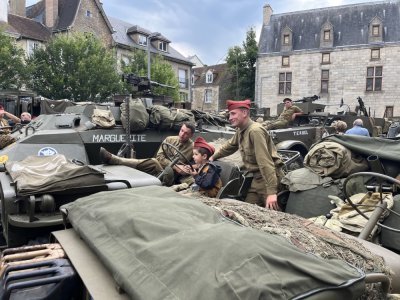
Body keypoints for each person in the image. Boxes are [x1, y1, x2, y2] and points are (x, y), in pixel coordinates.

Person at [210, 99, 285, 210]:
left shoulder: (255, 131)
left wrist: (272, 192)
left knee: (274, 216)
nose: (230, 118)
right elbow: (230, 146)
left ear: (244, 113)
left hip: (268, 180)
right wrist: (213, 157)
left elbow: (265, 162)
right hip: (256, 180)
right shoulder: (241, 130)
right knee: (247, 212)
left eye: (233, 113)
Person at [99, 122, 196, 185]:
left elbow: (201, 161)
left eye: (186, 133)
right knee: (153, 161)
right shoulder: (169, 139)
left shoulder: (193, 147)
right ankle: (114, 160)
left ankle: (115, 160)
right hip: (160, 169)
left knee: (157, 164)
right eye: (181, 130)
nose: (182, 134)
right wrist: (177, 167)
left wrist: (188, 167)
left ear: (191, 135)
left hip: (172, 178)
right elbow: (159, 157)